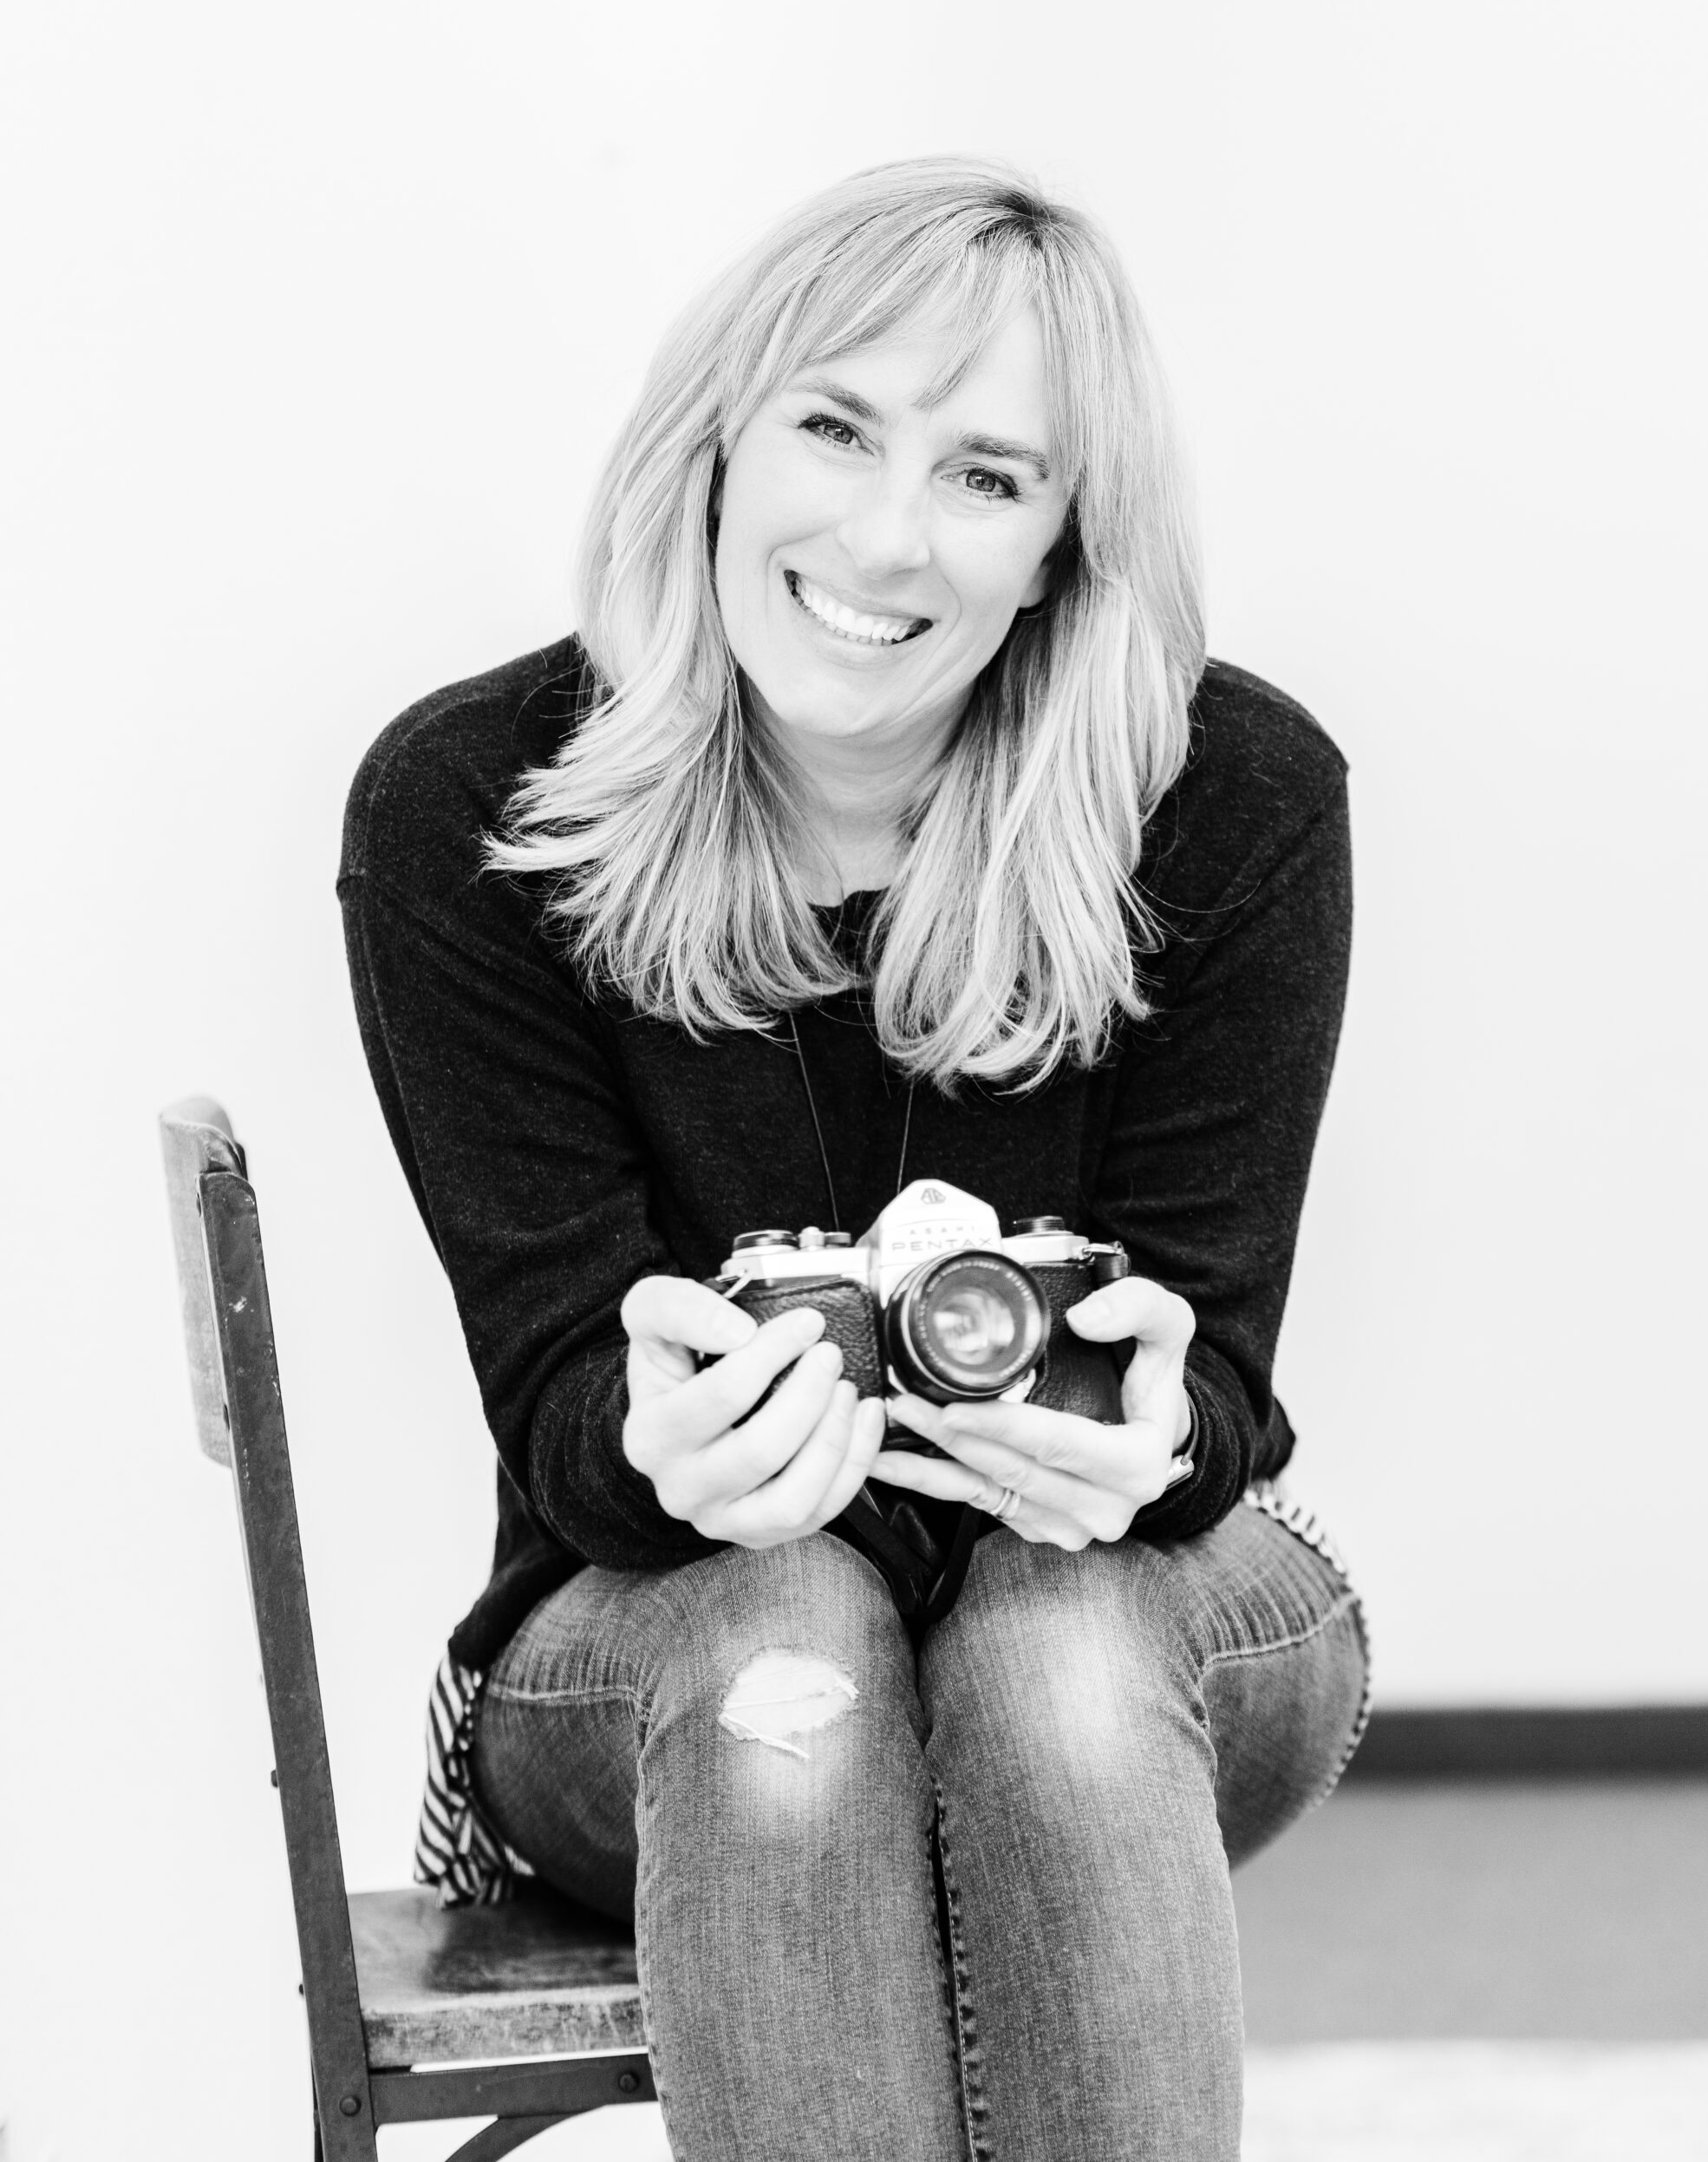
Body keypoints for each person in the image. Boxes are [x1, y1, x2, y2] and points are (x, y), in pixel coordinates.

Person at [340, 155, 1368, 2162]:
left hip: (1138, 1615)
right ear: (715, 437)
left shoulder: (1221, 796)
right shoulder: (481, 808)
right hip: (648, 1642)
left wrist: (1147, 1437)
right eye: (833, 425)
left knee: (1056, 1656)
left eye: (988, 476)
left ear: (1066, 545)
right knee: (787, 1642)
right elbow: (558, 1394)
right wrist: (664, 1447)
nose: (884, 537)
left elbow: (1215, 1377)